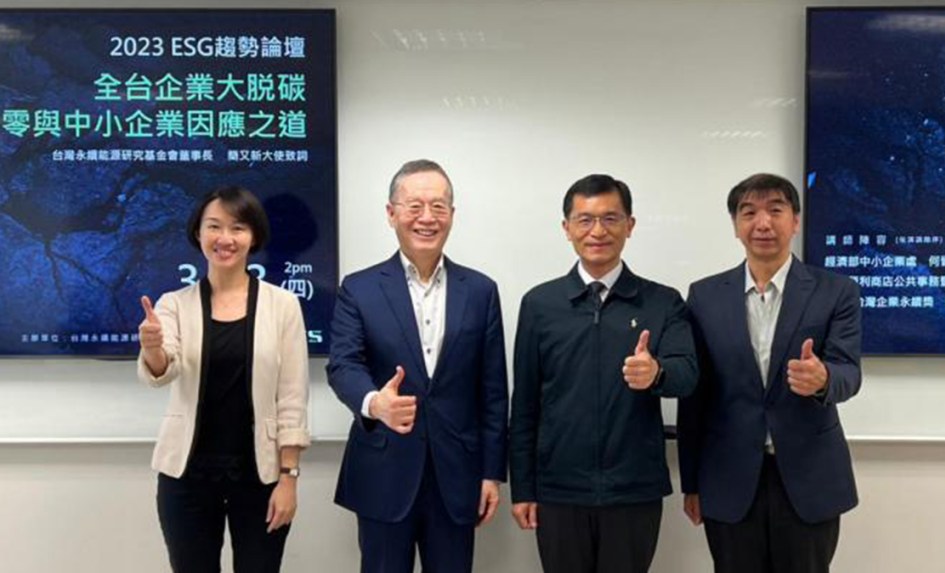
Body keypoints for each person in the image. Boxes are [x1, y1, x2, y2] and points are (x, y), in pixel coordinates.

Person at [509, 174, 698, 573]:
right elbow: (524, 404)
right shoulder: (540, 304)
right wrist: (523, 488)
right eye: (585, 220)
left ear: (630, 225)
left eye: (611, 219)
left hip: (633, 490)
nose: (598, 231)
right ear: (567, 228)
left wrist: (657, 373)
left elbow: (688, 375)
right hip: (559, 490)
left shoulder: (662, 301)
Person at [327, 159, 508, 573]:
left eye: (438, 206)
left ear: (452, 215)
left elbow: (493, 390)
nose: (427, 217)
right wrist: (374, 403)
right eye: (414, 206)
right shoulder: (359, 288)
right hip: (384, 471)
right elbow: (343, 365)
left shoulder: (480, 291)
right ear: (391, 213)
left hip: (457, 475)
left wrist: (491, 473)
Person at [677, 173, 862, 573]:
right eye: (749, 213)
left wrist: (824, 379)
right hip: (728, 477)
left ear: (795, 220)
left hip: (808, 479)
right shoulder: (704, 296)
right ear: (735, 226)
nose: (763, 223)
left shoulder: (836, 291)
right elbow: (695, 396)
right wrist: (691, 481)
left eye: (775, 210)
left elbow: (849, 372)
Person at [137, 185, 310, 573]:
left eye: (238, 228)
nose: (225, 238)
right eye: (214, 226)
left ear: (254, 236)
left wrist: (289, 479)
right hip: (186, 478)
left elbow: (292, 397)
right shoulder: (173, 304)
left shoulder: (283, 305)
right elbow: (164, 370)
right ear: (198, 233)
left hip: (261, 476)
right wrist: (152, 347)